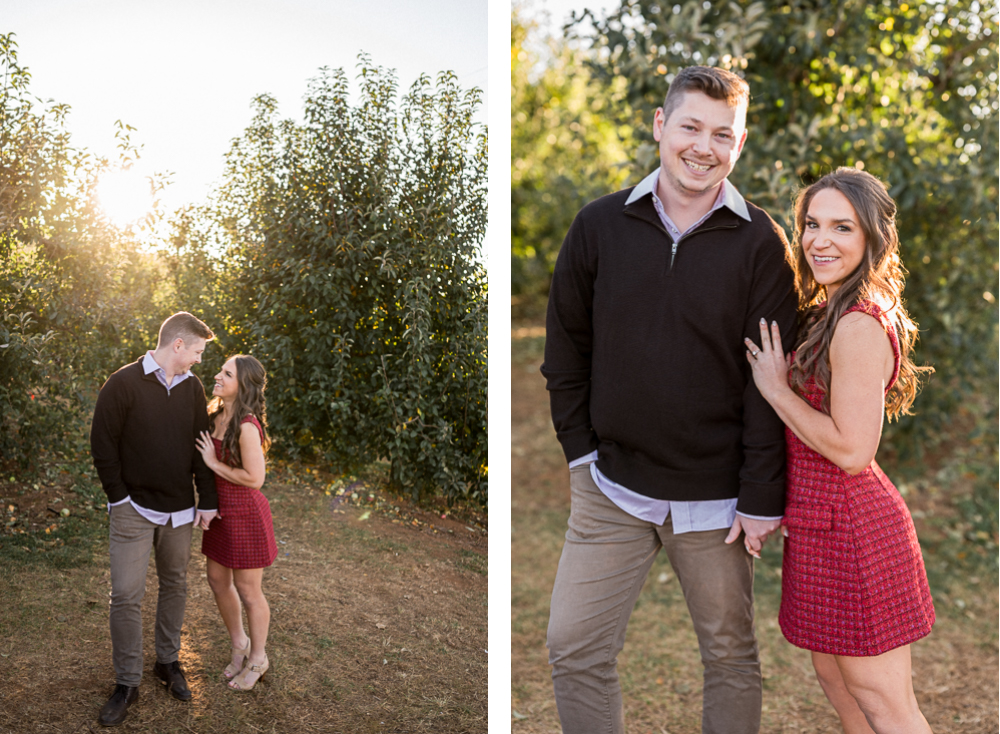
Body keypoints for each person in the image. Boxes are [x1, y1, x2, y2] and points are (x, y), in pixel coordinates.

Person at [541, 65, 797, 734]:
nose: (703, 146)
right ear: (661, 126)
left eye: (723, 134)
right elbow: (567, 351)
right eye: (690, 126)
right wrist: (578, 455)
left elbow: (769, 384)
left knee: (730, 656)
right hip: (612, 486)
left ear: (740, 143)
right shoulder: (598, 225)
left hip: (716, 500)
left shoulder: (763, 245)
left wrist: (760, 494)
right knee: (574, 647)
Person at [744, 167, 935, 733]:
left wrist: (776, 390)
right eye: (811, 224)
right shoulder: (827, 311)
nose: (819, 240)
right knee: (842, 689)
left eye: (841, 228)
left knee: (884, 704)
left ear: (871, 238)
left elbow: (852, 452)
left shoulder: (857, 324)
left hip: (854, 527)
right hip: (818, 522)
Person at [90, 312, 219, 727]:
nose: (200, 360)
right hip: (133, 509)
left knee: (175, 584)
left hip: (179, 510)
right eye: (198, 351)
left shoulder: (194, 388)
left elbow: (202, 449)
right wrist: (119, 499)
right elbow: (102, 445)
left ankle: (168, 663)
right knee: (126, 595)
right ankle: (127, 682)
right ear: (178, 345)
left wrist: (207, 499)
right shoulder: (123, 383)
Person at [196, 354, 277, 692]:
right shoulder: (214, 414)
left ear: (241, 385)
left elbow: (254, 478)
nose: (217, 376)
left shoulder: (246, 425)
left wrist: (214, 463)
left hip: (245, 514)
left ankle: (258, 657)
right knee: (216, 580)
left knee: (248, 590)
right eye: (220, 370)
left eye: (226, 374)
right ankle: (239, 643)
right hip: (220, 514)